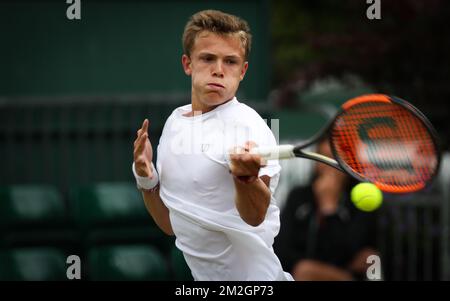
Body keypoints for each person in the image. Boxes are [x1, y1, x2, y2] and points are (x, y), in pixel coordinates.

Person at [132, 10, 293, 281]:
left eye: (230, 61)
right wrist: (146, 179)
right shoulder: (175, 123)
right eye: (207, 58)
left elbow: (255, 217)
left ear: (243, 71)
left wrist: (246, 178)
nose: (218, 69)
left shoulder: (250, 127)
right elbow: (171, 225)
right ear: (188, 63)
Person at [274, 138, 379, 281]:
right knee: (304, 270)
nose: (329, 165)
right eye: (322, 158)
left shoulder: (360, 202)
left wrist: (329, 208)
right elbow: (282, 249)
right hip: (298, 275)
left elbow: (358, 254)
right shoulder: (298, 196)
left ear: (349, 163)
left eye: (335, 158)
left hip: (346, 277)